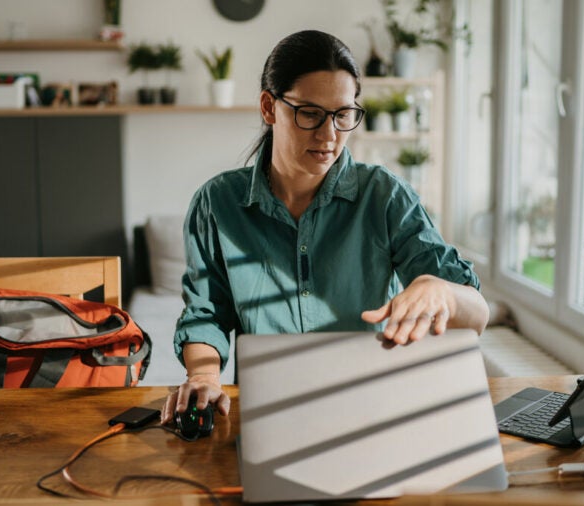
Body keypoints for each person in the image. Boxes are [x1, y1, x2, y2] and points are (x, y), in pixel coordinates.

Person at [160, 30, 488, 424]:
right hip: (271, 413)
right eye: (311, 114)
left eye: (343, 115)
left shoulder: (384, 196)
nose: (329, 136)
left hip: (376, 409)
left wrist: (444, 293)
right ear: (269, 107)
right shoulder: (217, 203)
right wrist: (204, 376)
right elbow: (206, 314)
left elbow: (477, 316)